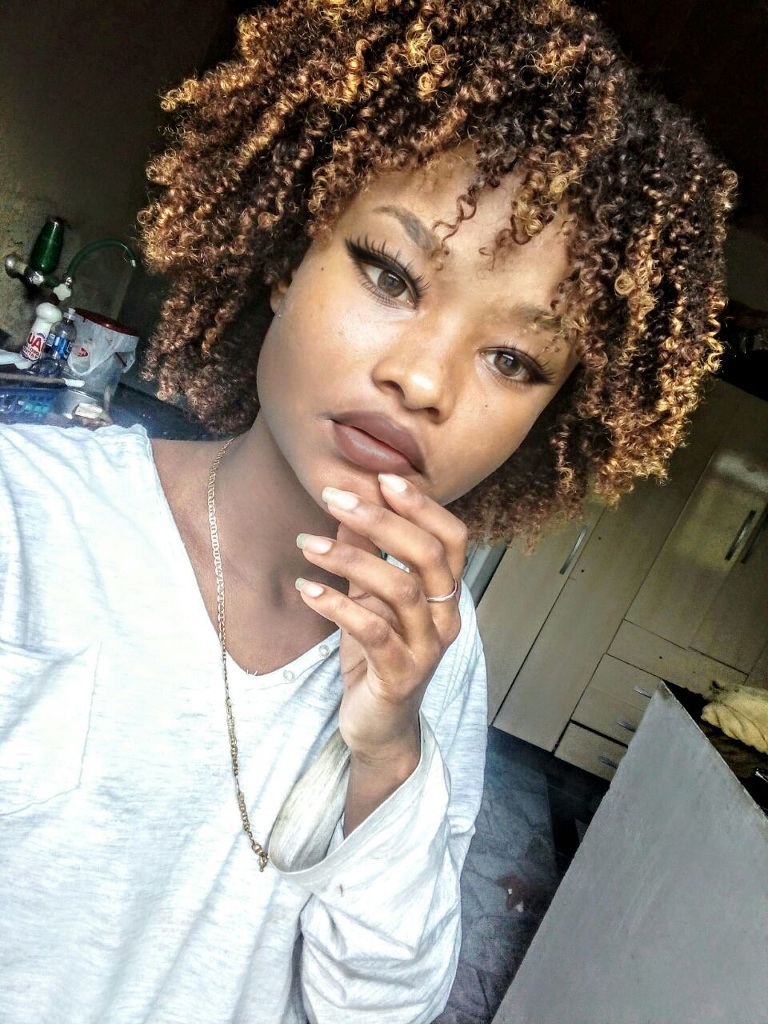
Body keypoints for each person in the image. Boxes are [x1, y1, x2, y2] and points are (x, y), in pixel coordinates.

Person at [0, 0, 735, 1021]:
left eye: (514, 359)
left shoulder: (438, 658)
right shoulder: (26, 521)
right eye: (391, 273)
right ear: (286, 256)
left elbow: (378, 1010)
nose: (425, 380)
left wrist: (389, 753)